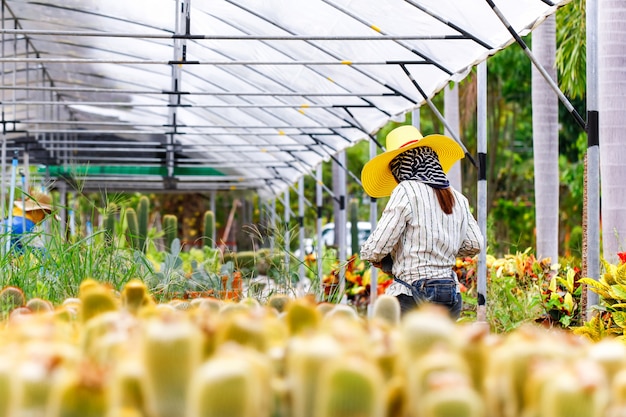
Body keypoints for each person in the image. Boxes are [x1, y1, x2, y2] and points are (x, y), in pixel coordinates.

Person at [360, 125, 484, 318]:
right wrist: (443, 249)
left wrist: (371, 256)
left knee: (407, 348)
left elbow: (377, 247)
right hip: (450, 295)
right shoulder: (458, 197)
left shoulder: (406, 191)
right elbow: (475, 244)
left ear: (399, 165)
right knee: (443, 349)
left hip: (412, 294)